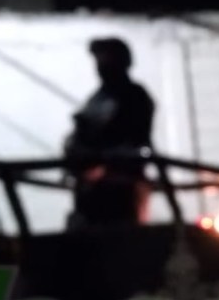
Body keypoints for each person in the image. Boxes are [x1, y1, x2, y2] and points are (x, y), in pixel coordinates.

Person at [65, 37, 156, 226]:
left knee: (119, 236)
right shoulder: (97, 98)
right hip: (91, 189)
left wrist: (102, 157)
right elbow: (81, 134)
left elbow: (135, 139)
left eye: (106, 60)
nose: (100, 66)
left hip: (120, 189)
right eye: (98, 61)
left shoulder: (134, 96)